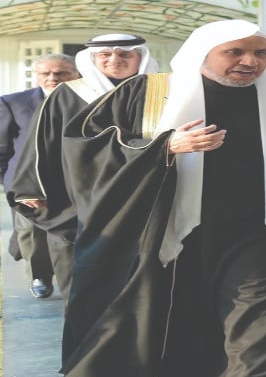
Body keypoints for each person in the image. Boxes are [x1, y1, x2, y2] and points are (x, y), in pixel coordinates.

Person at [54, 20, 266, 377]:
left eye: (261, 53)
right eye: (236, 52)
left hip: (261, 227)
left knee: (261, 310)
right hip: (168, 228)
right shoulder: (147, 93)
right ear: (204, 54)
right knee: (169, 312)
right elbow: (85, 149)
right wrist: (163, 147)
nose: (251, 62)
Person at [7, 34, 159, 307]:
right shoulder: (69, 93)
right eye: (106, 55)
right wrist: (31, 186)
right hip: (76, 194)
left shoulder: (159, 91)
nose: (115, 60)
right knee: (80, 283)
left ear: (140, 57)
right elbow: (42, 141)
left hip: (144, 193)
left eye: (125, 55)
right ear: (93, 59)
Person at [0, 54, 80, 299]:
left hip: (73, 179)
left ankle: (74, 276)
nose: (52, 78)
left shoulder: (86, 100)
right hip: (29, 182)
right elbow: (3, 148)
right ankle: (40, 277)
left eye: (61, 72)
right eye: (45, 73)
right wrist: (11, 183)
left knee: (71, 232)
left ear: (76, 74)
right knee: (32, 233)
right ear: (36, 76)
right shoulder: (13, 102)